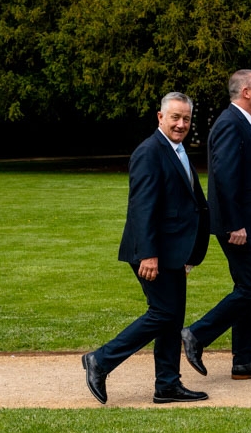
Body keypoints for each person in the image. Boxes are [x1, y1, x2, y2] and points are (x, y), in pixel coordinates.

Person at [82, 92, 211, 404]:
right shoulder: (149, 152)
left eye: (186, 119)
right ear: (160, 117)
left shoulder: (176, 149)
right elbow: (142, 209)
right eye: (175, 117)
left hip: (174, 252)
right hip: (153, 252)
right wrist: (148, 255)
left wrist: (189, 253)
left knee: (172, 317)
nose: (181, 124)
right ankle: (101, 359)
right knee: (163, 313)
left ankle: (167, 384)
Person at [181, 69, 251, 380]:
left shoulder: (246, 123)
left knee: (250, 287)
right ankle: (196, 335)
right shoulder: (230, 123)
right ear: (246, 92)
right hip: (238, 227)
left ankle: (244, 360)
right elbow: (224, 177)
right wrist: (235, 224)